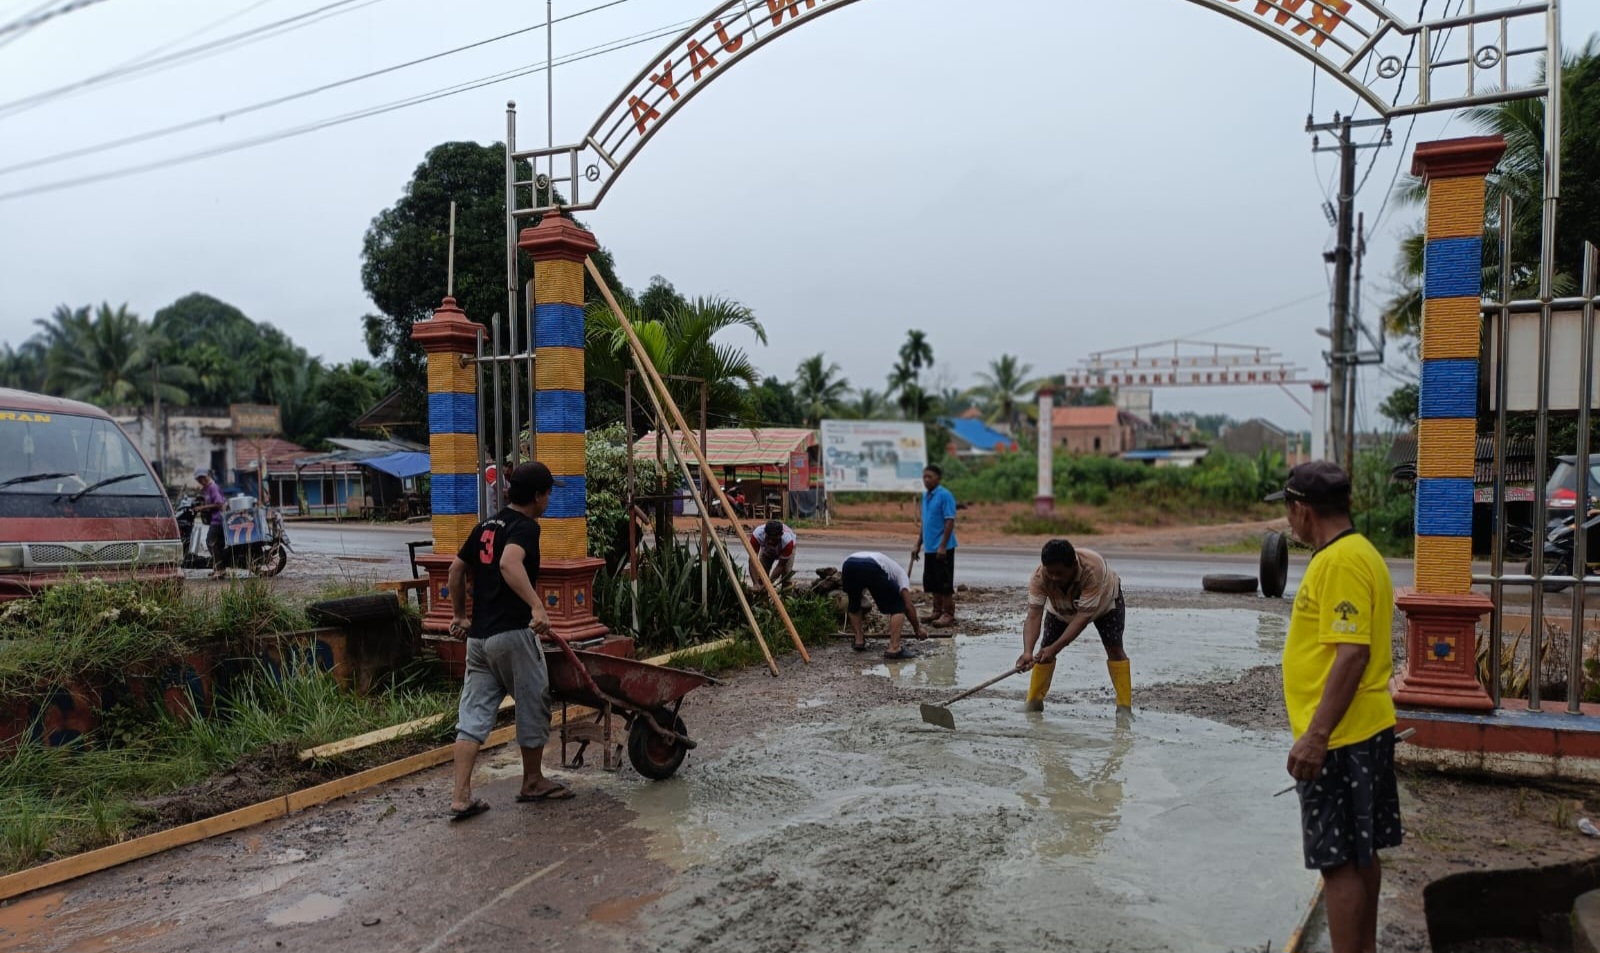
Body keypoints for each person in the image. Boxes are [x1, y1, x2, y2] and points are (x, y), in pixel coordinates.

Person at [1268, 461, 1399, 953]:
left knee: (1338, 861)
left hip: (1342, 737)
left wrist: (1316, 736)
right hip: (1362, 729)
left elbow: (1352, 652)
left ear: (1302, 509)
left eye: (1288, 510)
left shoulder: (1340, 561)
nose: (1288, 522)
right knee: (1361, 853)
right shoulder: (1359, 552)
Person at [445, 461, 572, 821]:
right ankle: (532, 781)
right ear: (537, 496)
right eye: (547, 493)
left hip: (479, 640)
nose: (548, 499)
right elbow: (509, 564)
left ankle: (461, 796)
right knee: (534, 700)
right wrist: (537, 607)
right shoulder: (525, 527)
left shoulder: (486, 525)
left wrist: (459, 616)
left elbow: (456, 569)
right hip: (514, 635)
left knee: (471, 717)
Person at [1015, 539, 1132, 713]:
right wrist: (1027, 652)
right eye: (1050, 573)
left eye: (1060, 573)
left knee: (1115, 649)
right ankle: (1033, 702)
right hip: (1061, 607)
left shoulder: (1092, 570)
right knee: (1044, 650)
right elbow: (1033, 616)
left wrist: (1055, 648)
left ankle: (1124, 707)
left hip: (1105, 604)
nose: (1054, 578)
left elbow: (1082, 619)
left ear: (1073, 566)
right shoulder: (1039, 577)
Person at [840, 551, 927, 659]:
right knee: (898, 605)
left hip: (849, 564)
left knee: (854, 602)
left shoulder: (890, 568)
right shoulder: (902, 577)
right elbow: (908, 606)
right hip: (871, 565)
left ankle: (859, 640)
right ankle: (894, 648)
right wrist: (917, 629)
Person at [913, 464, 958, 627]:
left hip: (943, 547)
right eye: (924, 477)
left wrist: (942, 546)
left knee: (944, 582)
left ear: (938, 479)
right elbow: (925, 523)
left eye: (929, 477)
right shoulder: (925, 496)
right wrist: (918, 544)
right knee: (932, 581)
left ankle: (948, 614)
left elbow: (949, 521)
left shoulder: (945, 495)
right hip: (930, 547)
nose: (926, 480)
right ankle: (937, 611)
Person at [194, 468, 227, 579]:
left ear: (205, 477)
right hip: (215, 519)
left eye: (201, 479)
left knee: (210, 543)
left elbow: (219, 503)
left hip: (218, 520)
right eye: (199, 480)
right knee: (218, 545)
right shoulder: (208, 488)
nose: (200, 482)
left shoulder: (213, 487)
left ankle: (220, 570)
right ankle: (219, 568)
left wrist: (202, 507)